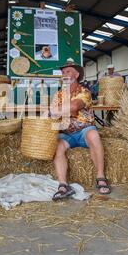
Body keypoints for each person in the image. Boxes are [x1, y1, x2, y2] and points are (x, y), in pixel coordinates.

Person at [49, 59, 111, 200]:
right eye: (63, 72)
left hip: (84, 130)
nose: (64, 74)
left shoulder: (84, 92)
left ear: (76, 75)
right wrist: (56, 112)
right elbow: (52, 114)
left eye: (68, 71)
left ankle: (100, 176)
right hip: (66, 132)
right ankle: (63, 185)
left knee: (94, 135)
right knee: (56, 146)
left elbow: (73, 107)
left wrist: (57, 111)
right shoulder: (58, 95)